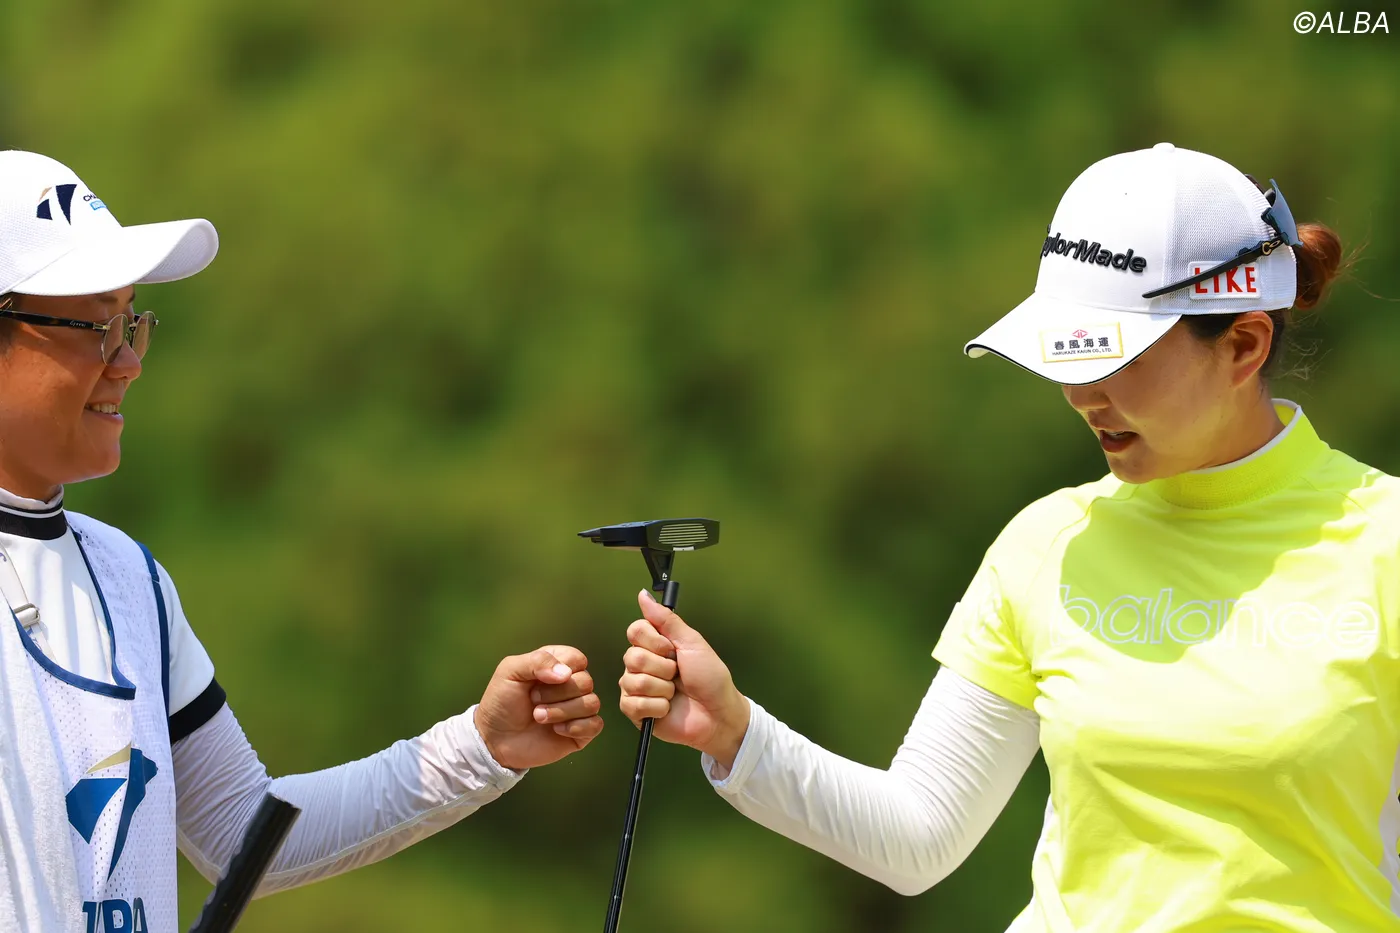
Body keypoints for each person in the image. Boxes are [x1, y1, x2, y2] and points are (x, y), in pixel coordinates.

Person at [617, 143, 1391, 932]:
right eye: (1070, 350)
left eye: (1114, 354)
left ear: (1244, 345)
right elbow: (918, 834)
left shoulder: (1385, 543)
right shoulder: (1047, 542)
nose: (1080, 393)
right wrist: (736, 730)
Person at [0, 150, 605, 933]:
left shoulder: (129, 579)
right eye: (94, 326)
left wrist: (481, 747)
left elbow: (242, 830)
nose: (127, 362)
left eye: (131, 323)